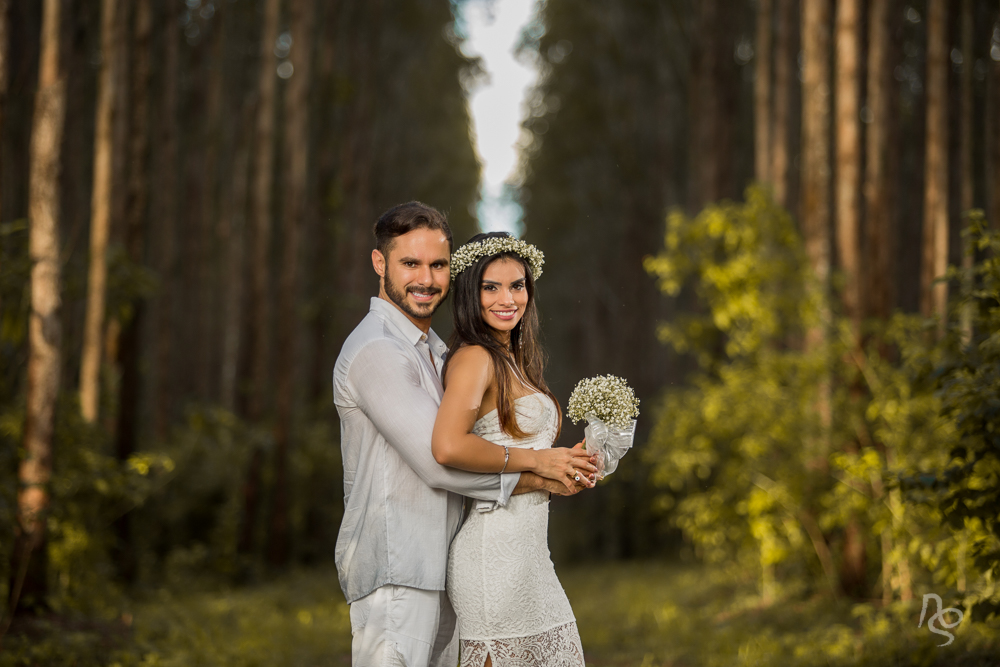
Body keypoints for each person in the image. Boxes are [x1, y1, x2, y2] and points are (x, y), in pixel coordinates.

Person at [332, 202, 596, 667]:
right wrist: (540, 468)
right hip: (398, 571)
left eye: (437, 265)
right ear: (380, 263)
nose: (427, 278)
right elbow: (441, 458)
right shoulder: (378, 351)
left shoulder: (432, 350)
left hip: (441, 562)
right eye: (410, 263)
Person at [431, 231, 588, 667]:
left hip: (533, 557)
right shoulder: (475, 358)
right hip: (492, 556)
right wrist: (539, 461)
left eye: (517, 285)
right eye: (490, 287)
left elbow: (512, 460)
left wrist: (559, 474)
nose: (507, 298)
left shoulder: (516, 360)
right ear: (470, 293)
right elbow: (447, 446)